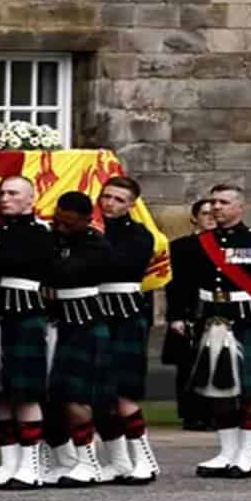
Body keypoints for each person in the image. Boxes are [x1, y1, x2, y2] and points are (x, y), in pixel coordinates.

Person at [180, 181, 251, 479]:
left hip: (248, 322)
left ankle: (246, 456)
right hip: (212, 322)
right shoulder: (199, 244)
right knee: (218, 391)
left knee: (250, 393)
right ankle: (226, 453)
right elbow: (185, 286)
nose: (216, 207)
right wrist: (185, 318)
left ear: (241, 207)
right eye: (214, 202)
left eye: (224, 202)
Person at [0, 175, 57, 489]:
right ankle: (8, 465)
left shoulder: (40, 232)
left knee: (25, 392)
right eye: (2, 193)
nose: (5, 198)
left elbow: (12, 261)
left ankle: (30, 466)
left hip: (25, 317)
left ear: (31, 199)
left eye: (13, 193)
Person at [45, 192, 116, 486]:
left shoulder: (96, 245)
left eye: (69, 224)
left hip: (84, 324)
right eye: (58, 222)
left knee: (77, 397)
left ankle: (89, 463)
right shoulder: (55, 239)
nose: (62, 229)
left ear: (87, 220)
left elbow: (64, 272)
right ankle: (66, 461)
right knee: (54, 397)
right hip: (57, 325)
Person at [94, 176, 162, 484]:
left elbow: (117, 265)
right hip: (97, 312)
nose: (110, 203)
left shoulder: (139, 234)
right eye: (106, 197)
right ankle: (119, 461)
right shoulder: (92, 230)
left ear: (131, 205)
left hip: (125, 315)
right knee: (99, 393)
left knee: (124, 392)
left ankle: (145, 459)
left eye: (118, 199)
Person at [163, 196, 219, 431]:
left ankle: (216, 414)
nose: (211, 218)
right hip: (191, 311)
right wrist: (175, 316)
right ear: (194, 218)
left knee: (218, 363)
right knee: (189, 366)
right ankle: (192, 415)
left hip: (219, 312)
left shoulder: (229, 245)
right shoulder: (180, 246)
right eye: (205, 214)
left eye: (214, 214)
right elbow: (174, 285)